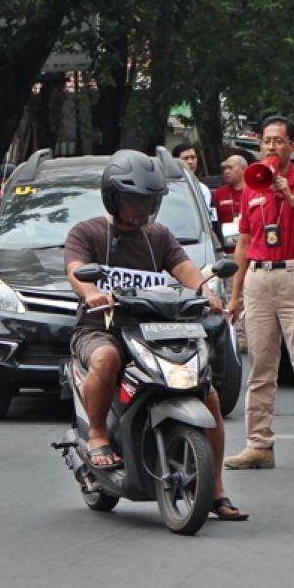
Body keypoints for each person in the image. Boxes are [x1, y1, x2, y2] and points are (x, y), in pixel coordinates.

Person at [63, 150, 247, 521]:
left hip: (156, 332)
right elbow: (76, 269)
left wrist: (206, 293)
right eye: (135, 200)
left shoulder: (157, 236)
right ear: (113, 197)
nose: (143, 208)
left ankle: (216, 488)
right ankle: (98, 432)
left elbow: (185, 269)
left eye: (149, 201)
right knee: (106, 359)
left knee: (206, 393)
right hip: (101, 329)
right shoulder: (88, 232)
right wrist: (91, 292)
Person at [224, 115, 294, 473]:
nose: (271, 147)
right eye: (266, 141)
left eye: (278, 141)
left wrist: (293, 198)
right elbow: (243, 242)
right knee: (261, 369)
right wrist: (235, 295)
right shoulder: (251, 183)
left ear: (293, 146)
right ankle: (258, 444)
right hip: (259, 279)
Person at [171, 142, 216, 219]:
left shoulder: (203, 189)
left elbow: (213, 219)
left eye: (193, 157)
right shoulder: (170, 189)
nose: (190, 162)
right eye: (186, 158)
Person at [212, 156, 246, 234]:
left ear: (243, 169)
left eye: (230, 168)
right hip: (228, 242)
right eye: (225, 168)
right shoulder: (218, 194)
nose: (226, 171)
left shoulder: (254, 191)